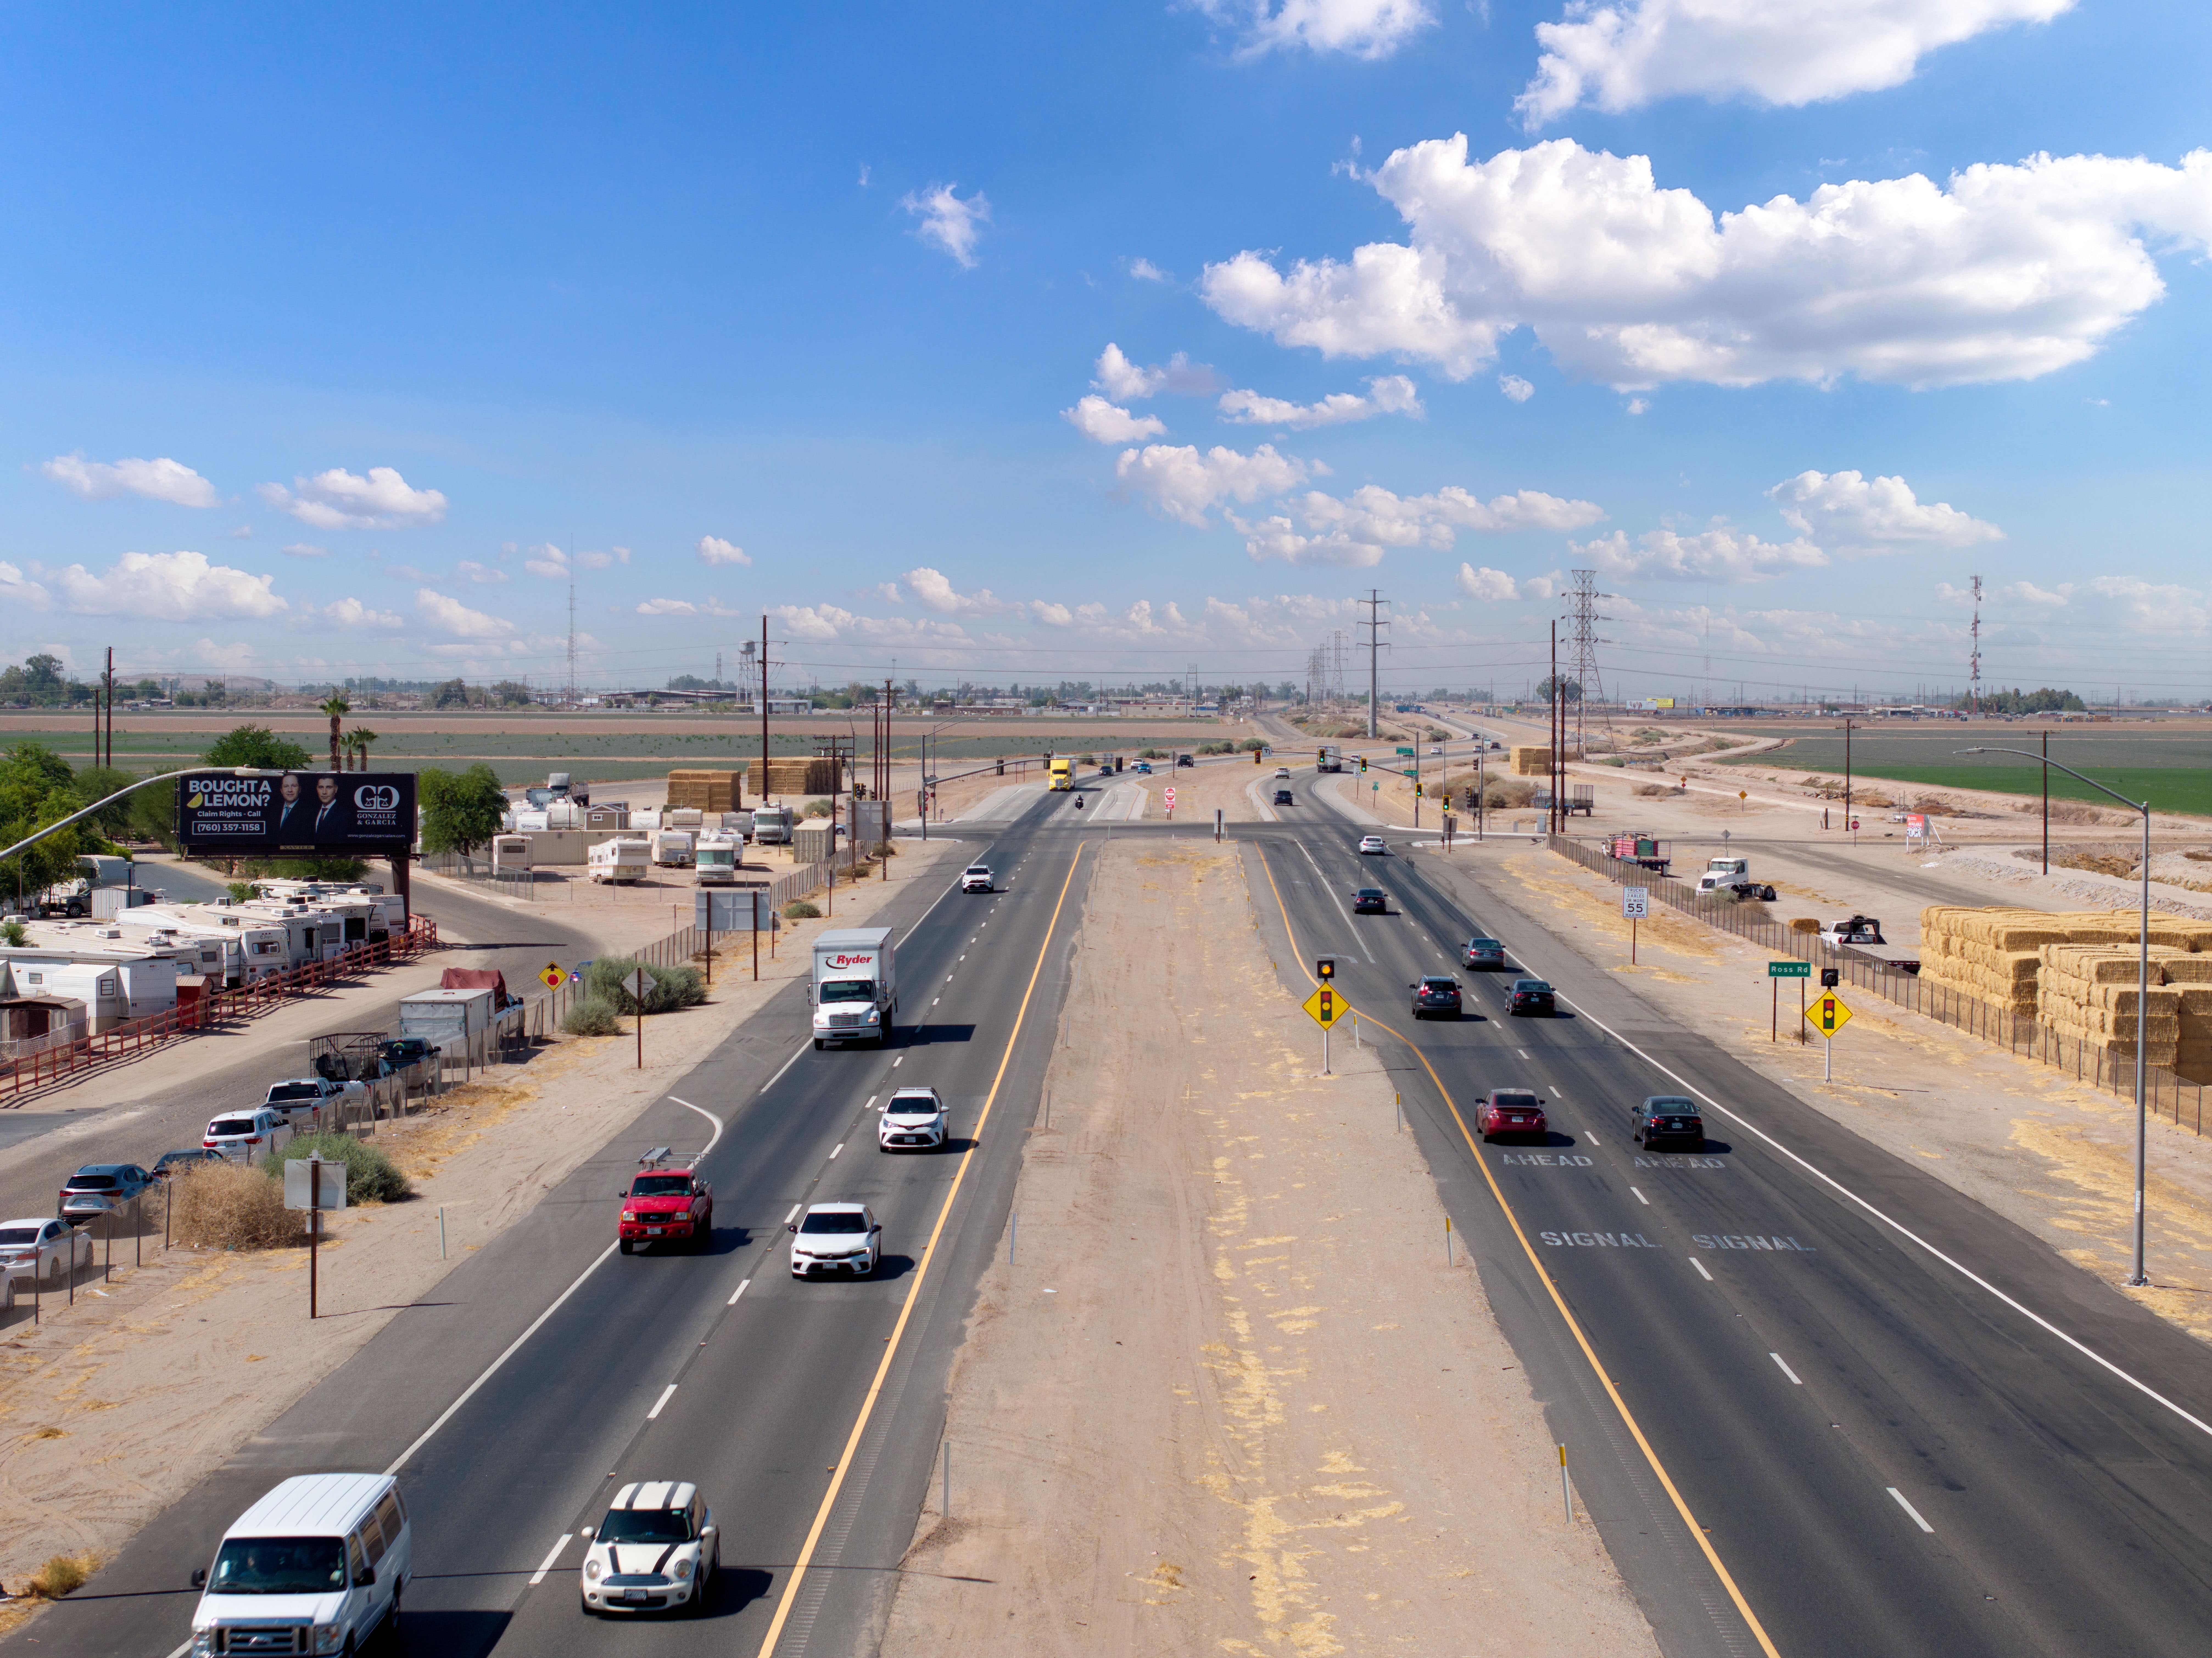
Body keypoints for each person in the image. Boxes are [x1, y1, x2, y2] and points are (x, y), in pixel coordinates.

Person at [310, 773, 351, 839]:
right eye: (321, 788)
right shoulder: (312, 812)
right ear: (317, 789)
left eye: (329, 787)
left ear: (336, 789)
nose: (324, 792)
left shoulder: (344, 815)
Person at [271, 772, 311, 839]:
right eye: (286, 786)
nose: (290, 790)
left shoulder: (309, 812)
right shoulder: (274, 811)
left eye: (294, 786)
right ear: (281, 790)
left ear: (300, 789)